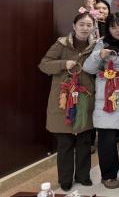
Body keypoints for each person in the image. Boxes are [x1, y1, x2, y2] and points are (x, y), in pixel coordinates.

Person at [38, 12, 96, 192]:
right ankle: (65, 179)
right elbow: (44, 65)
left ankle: (83, 176)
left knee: (84, 141)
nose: (85, 28)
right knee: (65, 143)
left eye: (89, 25)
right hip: (63, 100)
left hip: (85, 98)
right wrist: (64, 64)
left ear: (93, 27)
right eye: (82, 24)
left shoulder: (96, 46)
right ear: (74, 26)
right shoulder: (61, 44)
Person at [83, 13, 119, 189]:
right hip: (107, 99)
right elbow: (88, 68)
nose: (118, 30)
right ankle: (108, 175)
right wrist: (99, 55)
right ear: (108, 29)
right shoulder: (101, 43)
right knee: (107, 141)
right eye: (113, 26)